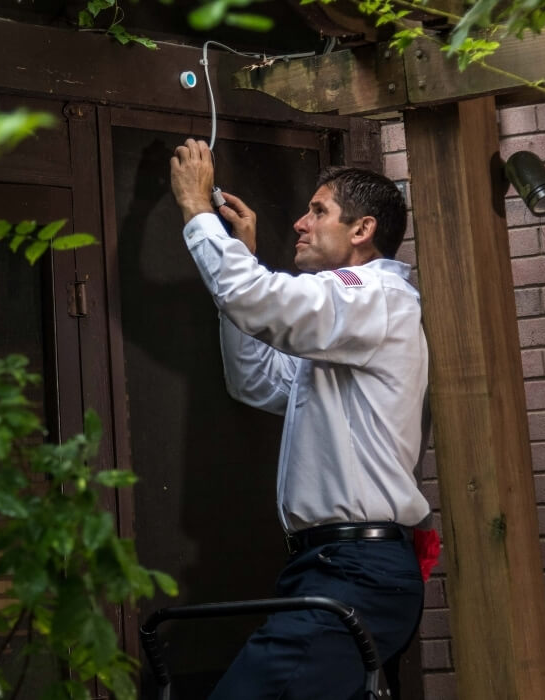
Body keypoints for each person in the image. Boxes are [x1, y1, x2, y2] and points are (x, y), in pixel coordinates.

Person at [167, 138, 430, 700]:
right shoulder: (348, 323)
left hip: (355, 568)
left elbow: (258, 300)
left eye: (318, 211)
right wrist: (239, 264)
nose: (299, 223)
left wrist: (196, 211)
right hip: (332, 566)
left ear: (361, 230)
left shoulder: (370, 293)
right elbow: (258, 381)